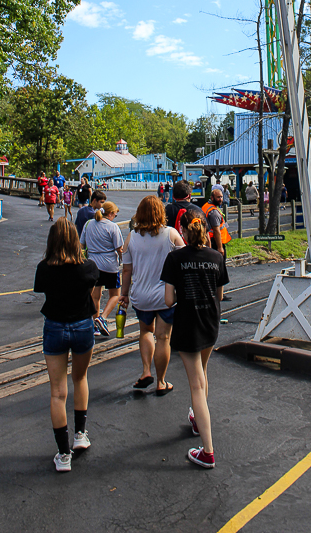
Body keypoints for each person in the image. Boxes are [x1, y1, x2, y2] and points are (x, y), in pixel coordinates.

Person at [161, 208, 229, 469]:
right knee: (203, 373)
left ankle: (208, 451)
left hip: (188, 323)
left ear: (184, 231)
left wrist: (182, 294)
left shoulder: (175, 259)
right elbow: (220, 295)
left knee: (196, 385)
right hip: (210, 322)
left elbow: (169, 300)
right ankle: (198, 421)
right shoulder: (216, 256)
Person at [33, 218, 99, 472]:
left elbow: (41, 290)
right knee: (80, 379)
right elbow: (95, 285)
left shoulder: (45, 268)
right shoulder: (88, 267)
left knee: (57, 392)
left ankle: (63, 455)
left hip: (55, 327)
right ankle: (80, 434)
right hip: (82, 325)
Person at [119, 196, 184, 394]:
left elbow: (127, 270)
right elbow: (184, 260)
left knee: (146, 331)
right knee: (163, 338)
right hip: (166, 296)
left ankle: (146, 371)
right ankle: (161, 382)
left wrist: (124, 294)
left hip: (141, 295)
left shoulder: (131, 237)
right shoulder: (171, 234)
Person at [80, 201, 123, 337]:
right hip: (109, 264)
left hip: (92, 263)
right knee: (115, 295)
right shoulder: (112, 227)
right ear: (110, 214)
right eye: (115, 215)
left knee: (95, 296)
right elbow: (119, 248)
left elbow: (82, 244)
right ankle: (102, 317)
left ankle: (95, 324)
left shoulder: (88, 224)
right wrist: (124, 262)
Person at [202, 185, 232, 301]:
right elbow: (216, 231)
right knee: (219, 268)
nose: (221, 199)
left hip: (209, 241)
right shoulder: (213, 212)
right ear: (212, 197)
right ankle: (218, 294)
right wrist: (220, 247)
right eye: (218, 197)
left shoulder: (207, 206)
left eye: (221, 197)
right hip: (215, 242)